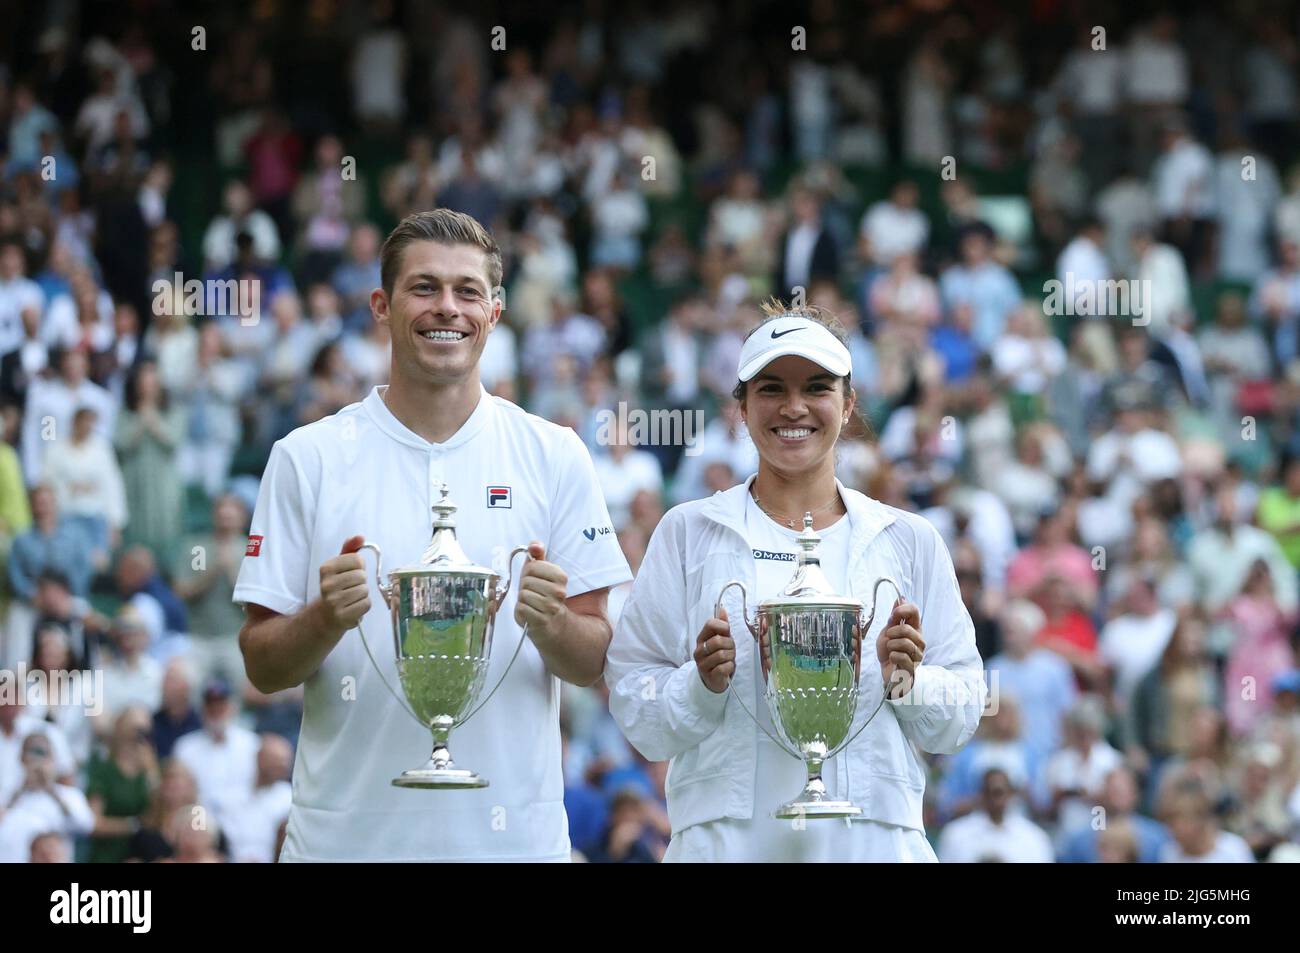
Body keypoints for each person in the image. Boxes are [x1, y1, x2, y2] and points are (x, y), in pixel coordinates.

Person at [234, 209, 631, 861]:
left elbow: (589, 660)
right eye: (424, 287)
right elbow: (262, 662)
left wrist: (549, 620)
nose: (447, 307)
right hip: (346, 848)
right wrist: (324, 619)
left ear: (495, 311)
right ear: (381, 306)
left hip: (514, 847)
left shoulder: (555, 453)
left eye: (467, 290)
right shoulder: (307, 457)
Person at [606, 300, 985, 862]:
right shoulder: (686, 533)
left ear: (849, 404)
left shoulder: (911, 540)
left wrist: (907, 680)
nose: (793, 407)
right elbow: (638, 711)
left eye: (816, 387)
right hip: (726, 847)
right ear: (740, 407)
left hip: (873, 846)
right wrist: (700, 684)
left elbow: (960, 718)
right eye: (770, 389)